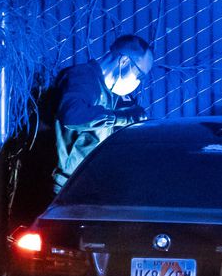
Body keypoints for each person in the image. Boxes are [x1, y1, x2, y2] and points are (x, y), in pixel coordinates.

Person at [52, 35, 154, 193]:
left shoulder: (114, 95)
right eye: (140, 74)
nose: (139, 81)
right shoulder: (83, 77)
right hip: (65, 188)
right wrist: (123, 117)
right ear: (124, 61)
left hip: (90, 185)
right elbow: (72, 115)